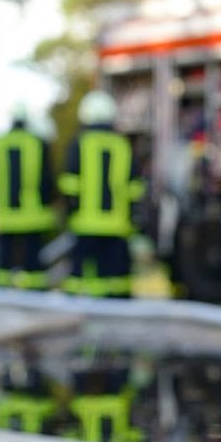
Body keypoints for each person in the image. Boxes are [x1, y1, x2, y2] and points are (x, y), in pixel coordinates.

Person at [60, 90, 145, 298]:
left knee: (80, 281)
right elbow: (135, 188)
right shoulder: (122, 145)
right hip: (117, 227)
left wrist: (70, 213)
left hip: (85, 226)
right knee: (117, 283)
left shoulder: (79, 143)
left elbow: (69, 185)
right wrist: (131, 217)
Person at [0, 103, 57, 289]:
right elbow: (47, 179)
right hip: (33, 216)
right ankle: (35, 292)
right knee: (33, 262)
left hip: (5, 216)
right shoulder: (38, 143)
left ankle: (0, 292)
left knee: (2, 261)